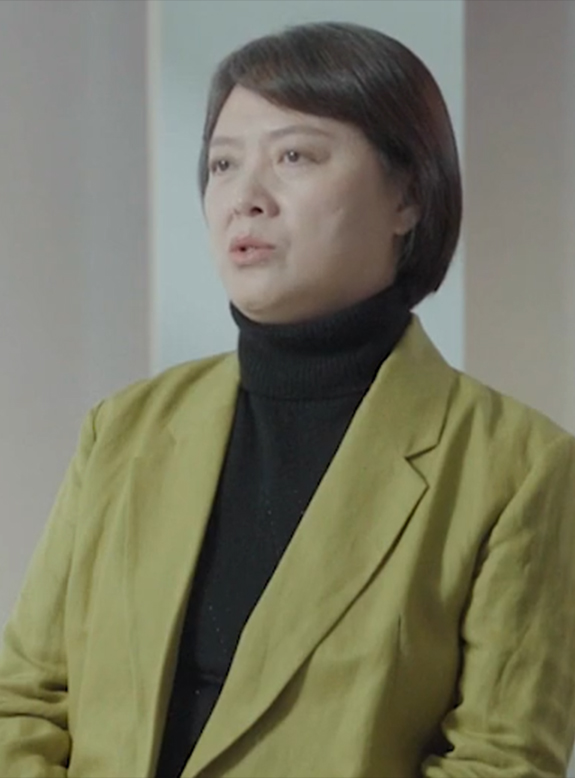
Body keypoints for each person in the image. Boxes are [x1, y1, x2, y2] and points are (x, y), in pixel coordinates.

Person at [1, 19, 574, 778]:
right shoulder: (125, 428)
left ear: (407, 196)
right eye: (223, 163)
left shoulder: (518, 466)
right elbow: (25, 701)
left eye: (295, 155)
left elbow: (501, 762)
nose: (246, 197)